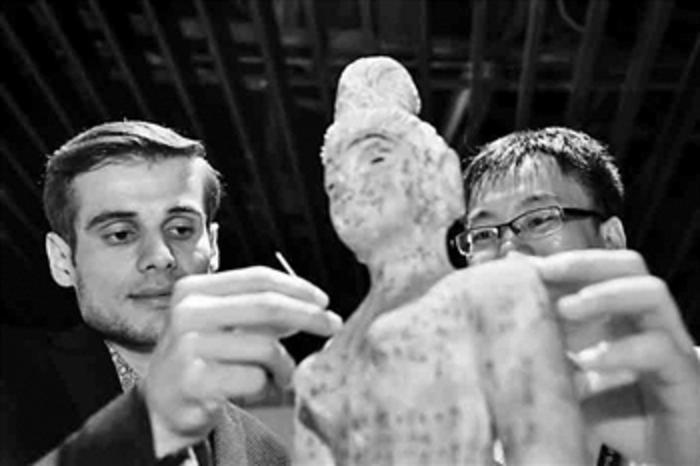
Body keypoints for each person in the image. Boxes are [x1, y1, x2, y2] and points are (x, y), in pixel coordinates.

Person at [0, 120, 342, 465]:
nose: (160, 256)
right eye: (120, 234)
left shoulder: (277, 438)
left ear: (213, 247)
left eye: (180, 229)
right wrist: (149, 424)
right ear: (62, 261)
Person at [458, 126, 700, 465]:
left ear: (611, 240)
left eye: (539, 219)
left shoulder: (687, 385)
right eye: (483, 235)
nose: (509, 250)